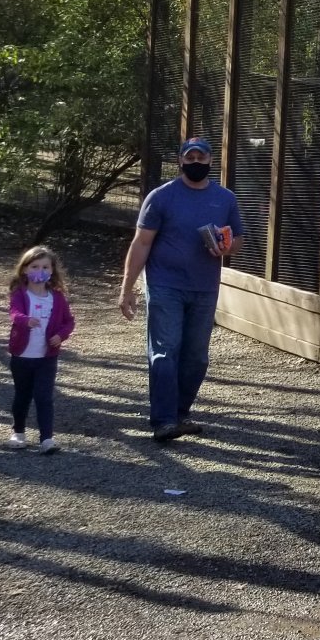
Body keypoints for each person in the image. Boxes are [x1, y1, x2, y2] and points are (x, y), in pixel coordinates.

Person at [119, 137, 243, 443]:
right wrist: (127, 287)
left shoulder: (225, 199)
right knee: (165, 351)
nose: (196, 163)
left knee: (196, 357)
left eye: (201, 158)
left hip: (204, 287)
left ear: (211, 161)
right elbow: (141, 243)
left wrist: (226, 246)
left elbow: (237, 239)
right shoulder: (161, 197)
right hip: (165, 285)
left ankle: (179, 412)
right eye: (190, 158)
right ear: (181, 161)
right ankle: (163, 420)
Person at [5, 246, 74, 454]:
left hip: (46, 358)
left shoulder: (58, 297)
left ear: (52, 270)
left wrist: (60, 335)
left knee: (44, 397)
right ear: (25, 269)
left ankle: (46, 438)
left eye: (45, 266)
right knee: (23, 395)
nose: (40, 270)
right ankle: (18, 432)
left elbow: (68, 322)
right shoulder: (20, 294)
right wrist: (25, 320)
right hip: (22, 357)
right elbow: (14, 313)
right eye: (35, 266)